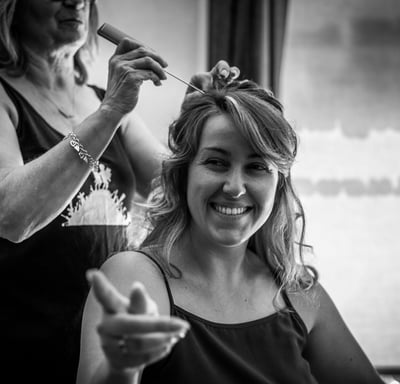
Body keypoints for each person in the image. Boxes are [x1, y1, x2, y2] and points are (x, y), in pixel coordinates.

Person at [76, 79, 387, 384]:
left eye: (257, 167)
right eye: (216, 162)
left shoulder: (297, 291)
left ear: (278, 186)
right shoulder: (135, 277)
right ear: (183, 175)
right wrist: (121, 368)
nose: (235, 188)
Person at [0, 0, 235, 383]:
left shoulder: (97, 97)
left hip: (106, 335)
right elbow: (10, 215)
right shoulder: (8, 97)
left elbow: (170, 190)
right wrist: (110, 112)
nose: (76, 1)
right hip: (25, 341)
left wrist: (195, 122)